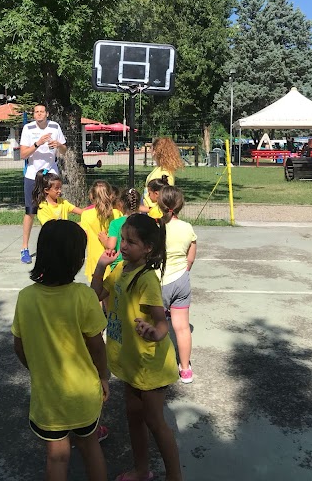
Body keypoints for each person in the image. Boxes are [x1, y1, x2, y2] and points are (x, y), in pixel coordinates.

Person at [12, 220, 109, 481]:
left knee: (57, 456)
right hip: (84, 394)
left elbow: (19, 346)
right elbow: (97, 346)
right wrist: (103, 377)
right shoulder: (84, 297)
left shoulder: (26, 297)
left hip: (48, 398)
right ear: (77, 260)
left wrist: (38, 369)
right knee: (90, 448)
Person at [91, 214, 182, 481]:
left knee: (154, 421)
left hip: (150, 364)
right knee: (133, 416)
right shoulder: (120, 269)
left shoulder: (147, 279)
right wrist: (100, 266)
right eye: (122, 239)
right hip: (130, 360)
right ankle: (142, 470)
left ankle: (175, 476)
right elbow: (95, 294)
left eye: (131, 242)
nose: (123, 246)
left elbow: (161, 320)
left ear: (148, 248)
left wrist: (155, 333)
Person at [157, 186, 197, 384]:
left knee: (157, 324)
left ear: (159, 204)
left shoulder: (157, 228)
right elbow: (191, 256)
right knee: (182, 328)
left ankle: (159, 365)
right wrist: (185, 269)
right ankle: (185, 369)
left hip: (161, 281)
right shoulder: (187, 228)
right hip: (181, 280)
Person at [19, 104, 67, 264]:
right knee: (30, 212)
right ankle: (24, 248)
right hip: (33, 176)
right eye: (36, 112)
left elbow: (64, 150)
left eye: (42, 112)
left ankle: (57, 247)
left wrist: (58, 145)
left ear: (47, 114)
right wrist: (37, 143)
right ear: (34, 114)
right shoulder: (28, 128)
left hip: (52, 175)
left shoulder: (55, 126)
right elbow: (22, 154)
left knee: (56, 211)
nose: (39, 114)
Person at [80, 181, 121, 281]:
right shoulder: (117, 213)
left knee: (96, 292)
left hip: (96, 261)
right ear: (111, 195)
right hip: (114, 259)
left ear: (91, 196)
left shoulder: (86, 215)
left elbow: (83, 237)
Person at [98, 188, 141, 271]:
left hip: (120, 265)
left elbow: (111, 245)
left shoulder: (116, 223)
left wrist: (104, 239)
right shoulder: (144, 221)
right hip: (139, 262)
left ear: (120, 204)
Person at [143, 138, 184, 210]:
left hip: (153, 212)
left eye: (151, 148)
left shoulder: (163, 172)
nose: (150, 150)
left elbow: (162, 198)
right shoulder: (161, 168)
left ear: (156, 151)